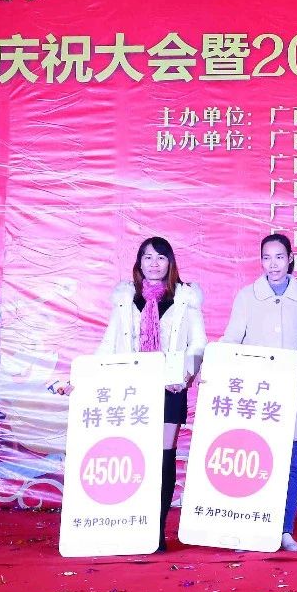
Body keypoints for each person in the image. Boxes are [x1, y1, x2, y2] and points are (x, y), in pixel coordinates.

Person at [52, 236, 206, 551]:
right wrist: (78, 378)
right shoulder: (125, 299)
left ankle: (157, 530)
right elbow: (108, 345)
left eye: (161, 257)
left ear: (170, 263)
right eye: (148, 257)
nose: (154, 263)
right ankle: (131, 525)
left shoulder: (185, 299)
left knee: (163, 456)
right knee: (134, 456)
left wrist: (184, 376)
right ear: (139, 263)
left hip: (170, 387)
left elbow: (198, 344)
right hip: (131, 388)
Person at [217, 233, 297, 553]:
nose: (273, 264)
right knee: (255, 457)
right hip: (256, 392)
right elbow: (232, 339)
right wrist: (216, 368)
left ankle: (285, 529)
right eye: (266, 257)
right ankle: (251, 527)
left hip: (292, 387)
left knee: (289, 462)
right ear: (260, 260)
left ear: (290, 259)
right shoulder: (247, 297)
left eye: (279, 257)